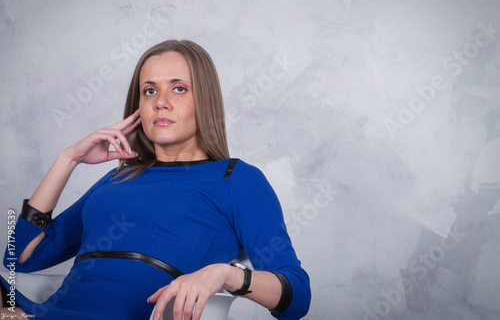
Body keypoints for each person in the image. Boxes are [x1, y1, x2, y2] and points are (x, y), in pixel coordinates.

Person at [0, 40, 311, 320]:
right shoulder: (120, 178)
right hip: (48, 313)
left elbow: (296, 296)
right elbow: (19, 258)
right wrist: (68, 159)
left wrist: (225, 274)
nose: (160, 101)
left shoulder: (236, 178)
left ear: (205, 100)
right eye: (149, 90)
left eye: (178, 88)